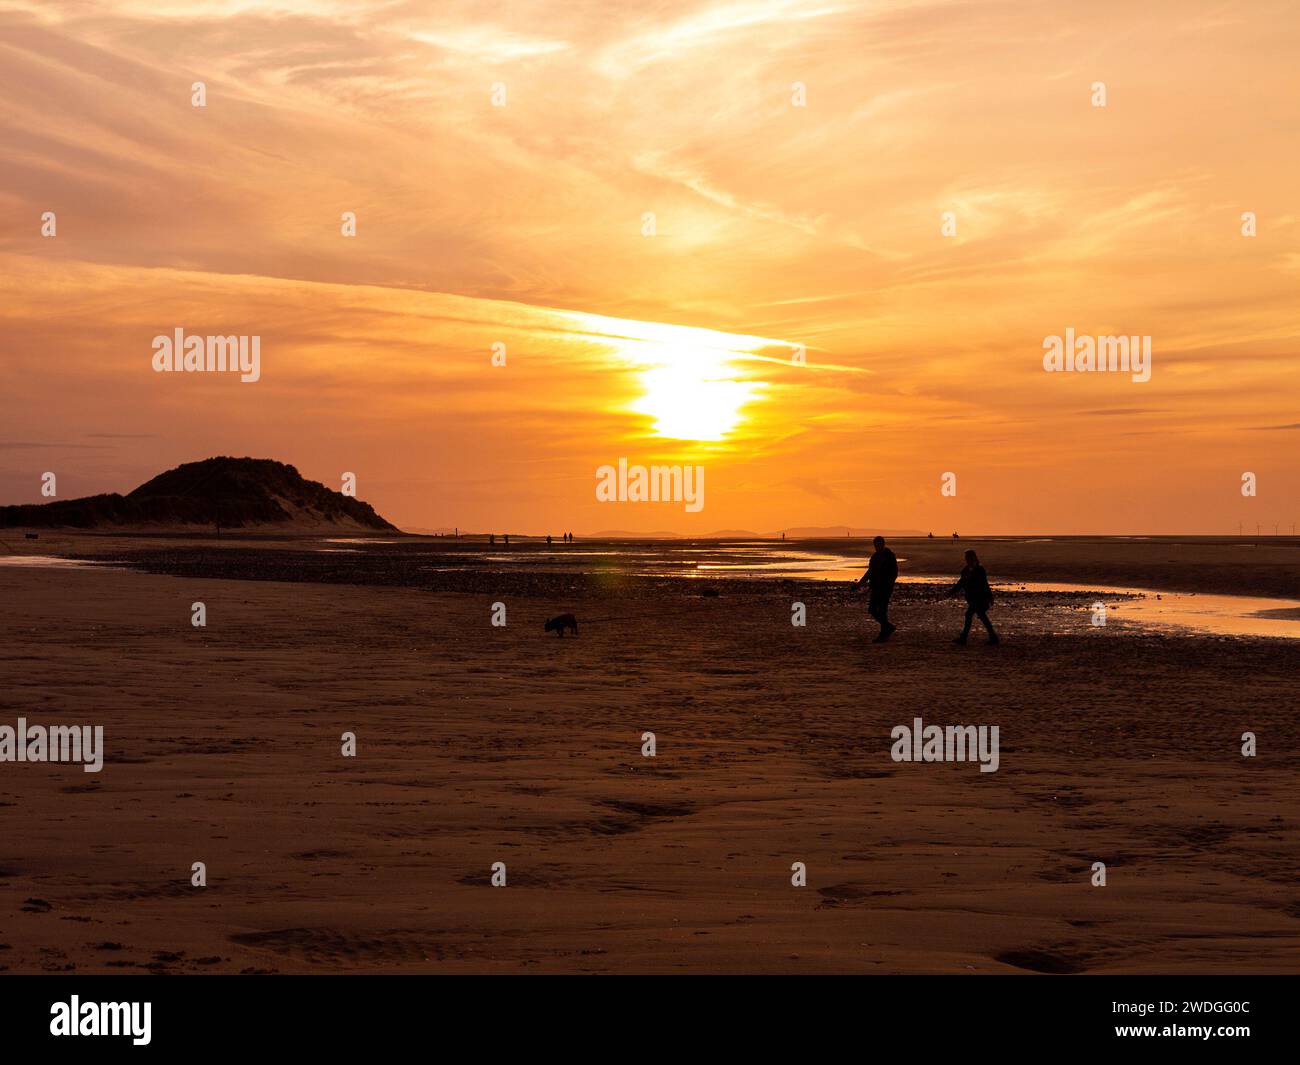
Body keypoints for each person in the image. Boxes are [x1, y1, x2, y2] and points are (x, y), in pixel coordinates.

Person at [947, 549, 999, 645]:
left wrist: (990, 597)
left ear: (974, 558)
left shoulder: (980, 570)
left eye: (969, 557)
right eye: (966, 558)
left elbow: (985, 584)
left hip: (980, 598)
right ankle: (993, 637)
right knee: (982, 616)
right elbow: (961, 583)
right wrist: (951, 592)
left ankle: (964, 638)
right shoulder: (965, 571)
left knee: (969, 614)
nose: (967, 559)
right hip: (972, 598)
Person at [854, 536, 898, 642]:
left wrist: (888, 584)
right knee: (872, 610)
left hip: (886, 588)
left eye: (878, 544)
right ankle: (888, 627)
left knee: (883, 611)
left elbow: (894, 573)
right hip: (875, 587)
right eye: (875, 545)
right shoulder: (874, 557)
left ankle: (883, 634)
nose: (877, 547)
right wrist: (860, 584)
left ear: (883, 544)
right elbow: (870, 572)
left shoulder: (889, 556)